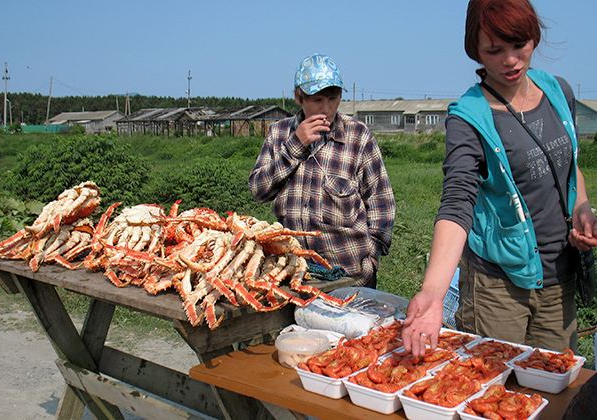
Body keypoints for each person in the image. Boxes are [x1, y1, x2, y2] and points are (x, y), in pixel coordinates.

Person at [402, 0, 597, 356]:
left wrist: (582, 207)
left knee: (552, 390)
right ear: (475, 49)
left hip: (559, 278)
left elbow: (570, 166)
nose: (510, 60)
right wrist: (432, 292)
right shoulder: (468, 117)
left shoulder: (558, 92)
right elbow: (458, 202)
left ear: (534, 38)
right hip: (497, 286)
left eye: (519, 45)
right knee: (493, 388)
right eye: (495, 50)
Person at [248, 53, 395, 288]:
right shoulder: (279, 134)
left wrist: (371, 260)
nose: (326, 109)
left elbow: (382, 203)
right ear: (299, 97)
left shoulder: (357, 136)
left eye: (333, 99)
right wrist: (296, 145)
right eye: (317, 100)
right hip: (294, 274)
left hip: (350, 276)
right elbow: (258, 190)